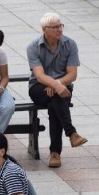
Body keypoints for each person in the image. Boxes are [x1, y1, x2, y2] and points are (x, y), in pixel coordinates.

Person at [27, 13, 88, 168]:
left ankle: (55, 153)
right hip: (39, 87)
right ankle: (70, 135)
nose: (59, 30)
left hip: (63, 86)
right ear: (44, 30)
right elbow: (39, 75)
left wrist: (58, 84)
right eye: (54, 27)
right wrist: (56, 85)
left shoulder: (70, 44)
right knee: (57, 97)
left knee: (56, 101)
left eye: (60, 26)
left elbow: (72, 74)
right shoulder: (33, 47)